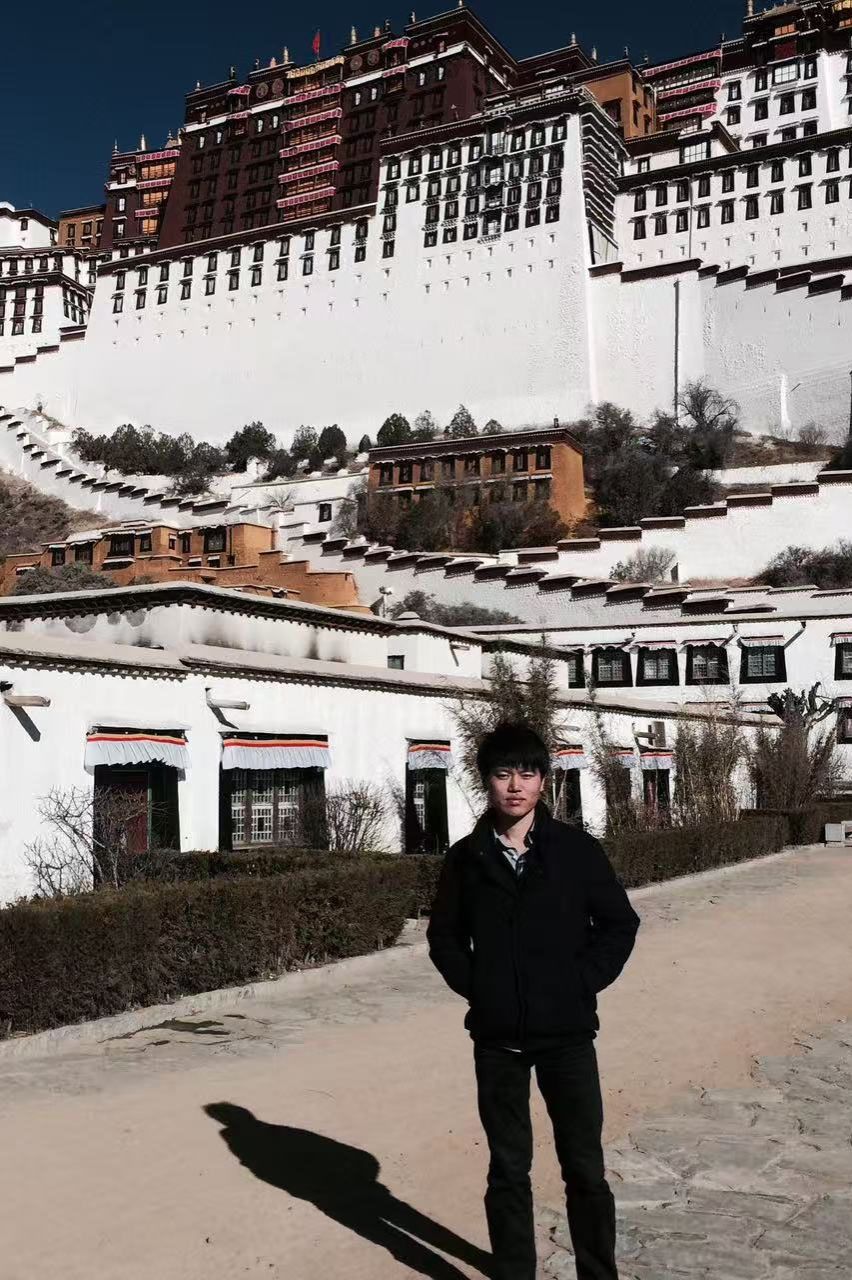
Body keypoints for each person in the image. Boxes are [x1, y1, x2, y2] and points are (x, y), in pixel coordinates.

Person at [427, 721, 640, 1280]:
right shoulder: (466, 858)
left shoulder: (576, 851)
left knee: (585, 1169)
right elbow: (444, 938)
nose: (515, 785)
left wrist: (580, 982)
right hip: (498, 1040)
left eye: (526, 773)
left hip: (568, 1037)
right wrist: (482, 988)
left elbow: (619, 924)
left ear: (544, 780)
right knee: (508, 1170)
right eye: (503, 774)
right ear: (486, 781)